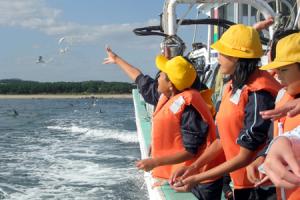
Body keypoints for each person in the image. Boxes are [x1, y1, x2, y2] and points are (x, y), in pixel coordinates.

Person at [171, 24, 281, 199]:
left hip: (262, 187)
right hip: (242, 184)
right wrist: (193, 167)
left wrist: (196, 179)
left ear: (236, 58)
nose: (218, 58)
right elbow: (222, 140)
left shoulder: (259, 94)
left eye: (222, 53)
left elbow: (245, 156)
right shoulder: (233, 87)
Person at [103, 47, 224, 199]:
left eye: (162, 74)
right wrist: (116, 59)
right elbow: (140, 80)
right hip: (184, 174)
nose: (158, 76)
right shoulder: (166, 95)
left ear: (171, 84)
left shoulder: (189, 109)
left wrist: (155, 162)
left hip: (203, 178)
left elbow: (190, 150)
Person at [246, 29, 300, 187]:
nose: (278, 75)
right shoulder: (282, 95)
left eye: (284, 69)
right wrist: (264, 157)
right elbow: (274, 137)